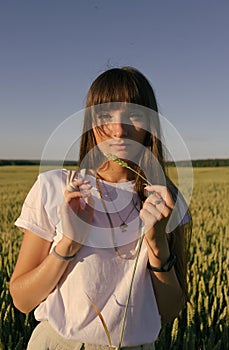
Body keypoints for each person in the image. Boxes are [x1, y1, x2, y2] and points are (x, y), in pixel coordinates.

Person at [10, 66, 192, 349]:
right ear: (90, 124)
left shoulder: (166, 201)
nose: (118, 130)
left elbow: (169, 312)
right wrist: (70, 243)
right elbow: (22, 300)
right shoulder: (55, 187)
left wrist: (157, 244)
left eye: (134, 115)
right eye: (106, 115)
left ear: (150, 126)